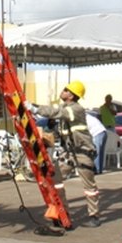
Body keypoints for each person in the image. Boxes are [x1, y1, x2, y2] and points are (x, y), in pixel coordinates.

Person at [31, 80, 101, 228]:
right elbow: (58, 123)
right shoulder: (65, 108)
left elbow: (57, 113)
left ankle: (94, 216)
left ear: (71, 95)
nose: (62, 91)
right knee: (55, 177)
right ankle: (64, 212)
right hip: (69, 153)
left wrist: (35, 108)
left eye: (65, 90)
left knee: (89, 186)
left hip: (83, 152)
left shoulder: (76, 109)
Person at [86, 110, 107, 175]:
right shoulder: (89, 117)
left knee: (96, 152)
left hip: (97, 133)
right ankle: (99, 169)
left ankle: (96, 170)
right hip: (103, 132)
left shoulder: (84, 118)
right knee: (100, 152)